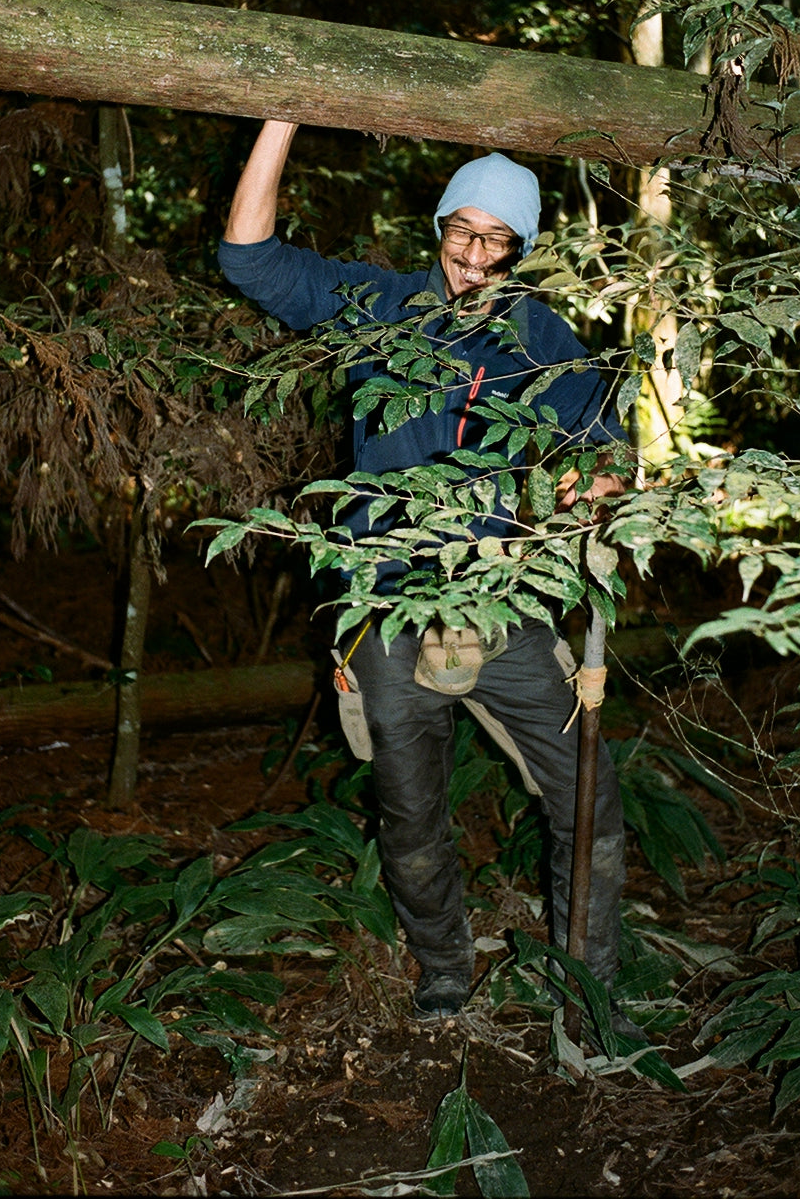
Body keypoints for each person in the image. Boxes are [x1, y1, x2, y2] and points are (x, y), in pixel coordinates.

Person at [219, 118, 630, 1024]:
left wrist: (592, 477)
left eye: (497, 241)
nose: (474, 258)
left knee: (588, 798)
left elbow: (603, 441)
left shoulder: (541, 337)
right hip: (391, 611)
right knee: (409, 816)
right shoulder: (378, 306)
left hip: (504, 603)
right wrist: (284, 113)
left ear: (520, 250)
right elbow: (249, 256)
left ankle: (588, 988)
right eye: (462, 231)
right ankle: (446, 967)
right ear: (438, 226)